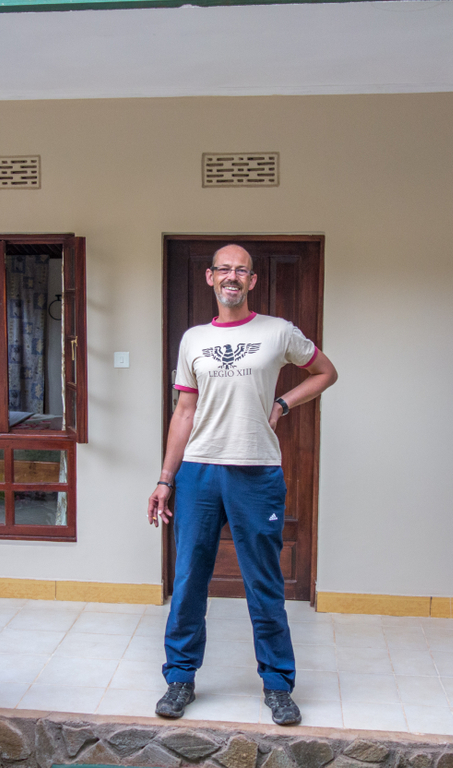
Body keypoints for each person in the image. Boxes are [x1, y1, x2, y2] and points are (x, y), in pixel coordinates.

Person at [147, 243, 338, 726]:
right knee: (190, 578)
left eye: (242, 271)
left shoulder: (277, 332)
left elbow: (325, 372)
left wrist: (283, 404)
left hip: (257, 472)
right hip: (199, 472)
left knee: (264, 582)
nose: (232, 277)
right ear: (210, 278)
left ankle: (277, 685)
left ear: (252, 281)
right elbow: (183, 412)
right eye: (224, 270)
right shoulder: (193, 339)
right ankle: (180, 678)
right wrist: (165, 479)